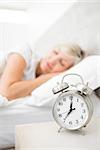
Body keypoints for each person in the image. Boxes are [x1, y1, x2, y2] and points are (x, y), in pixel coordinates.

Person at [0, 43, 85, 100]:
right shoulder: (25, 53)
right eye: (55, 53)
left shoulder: (48, 86)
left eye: (62, 63)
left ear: (65, 71)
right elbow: (7, 92)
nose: (52, 61)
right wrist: (45, 78)